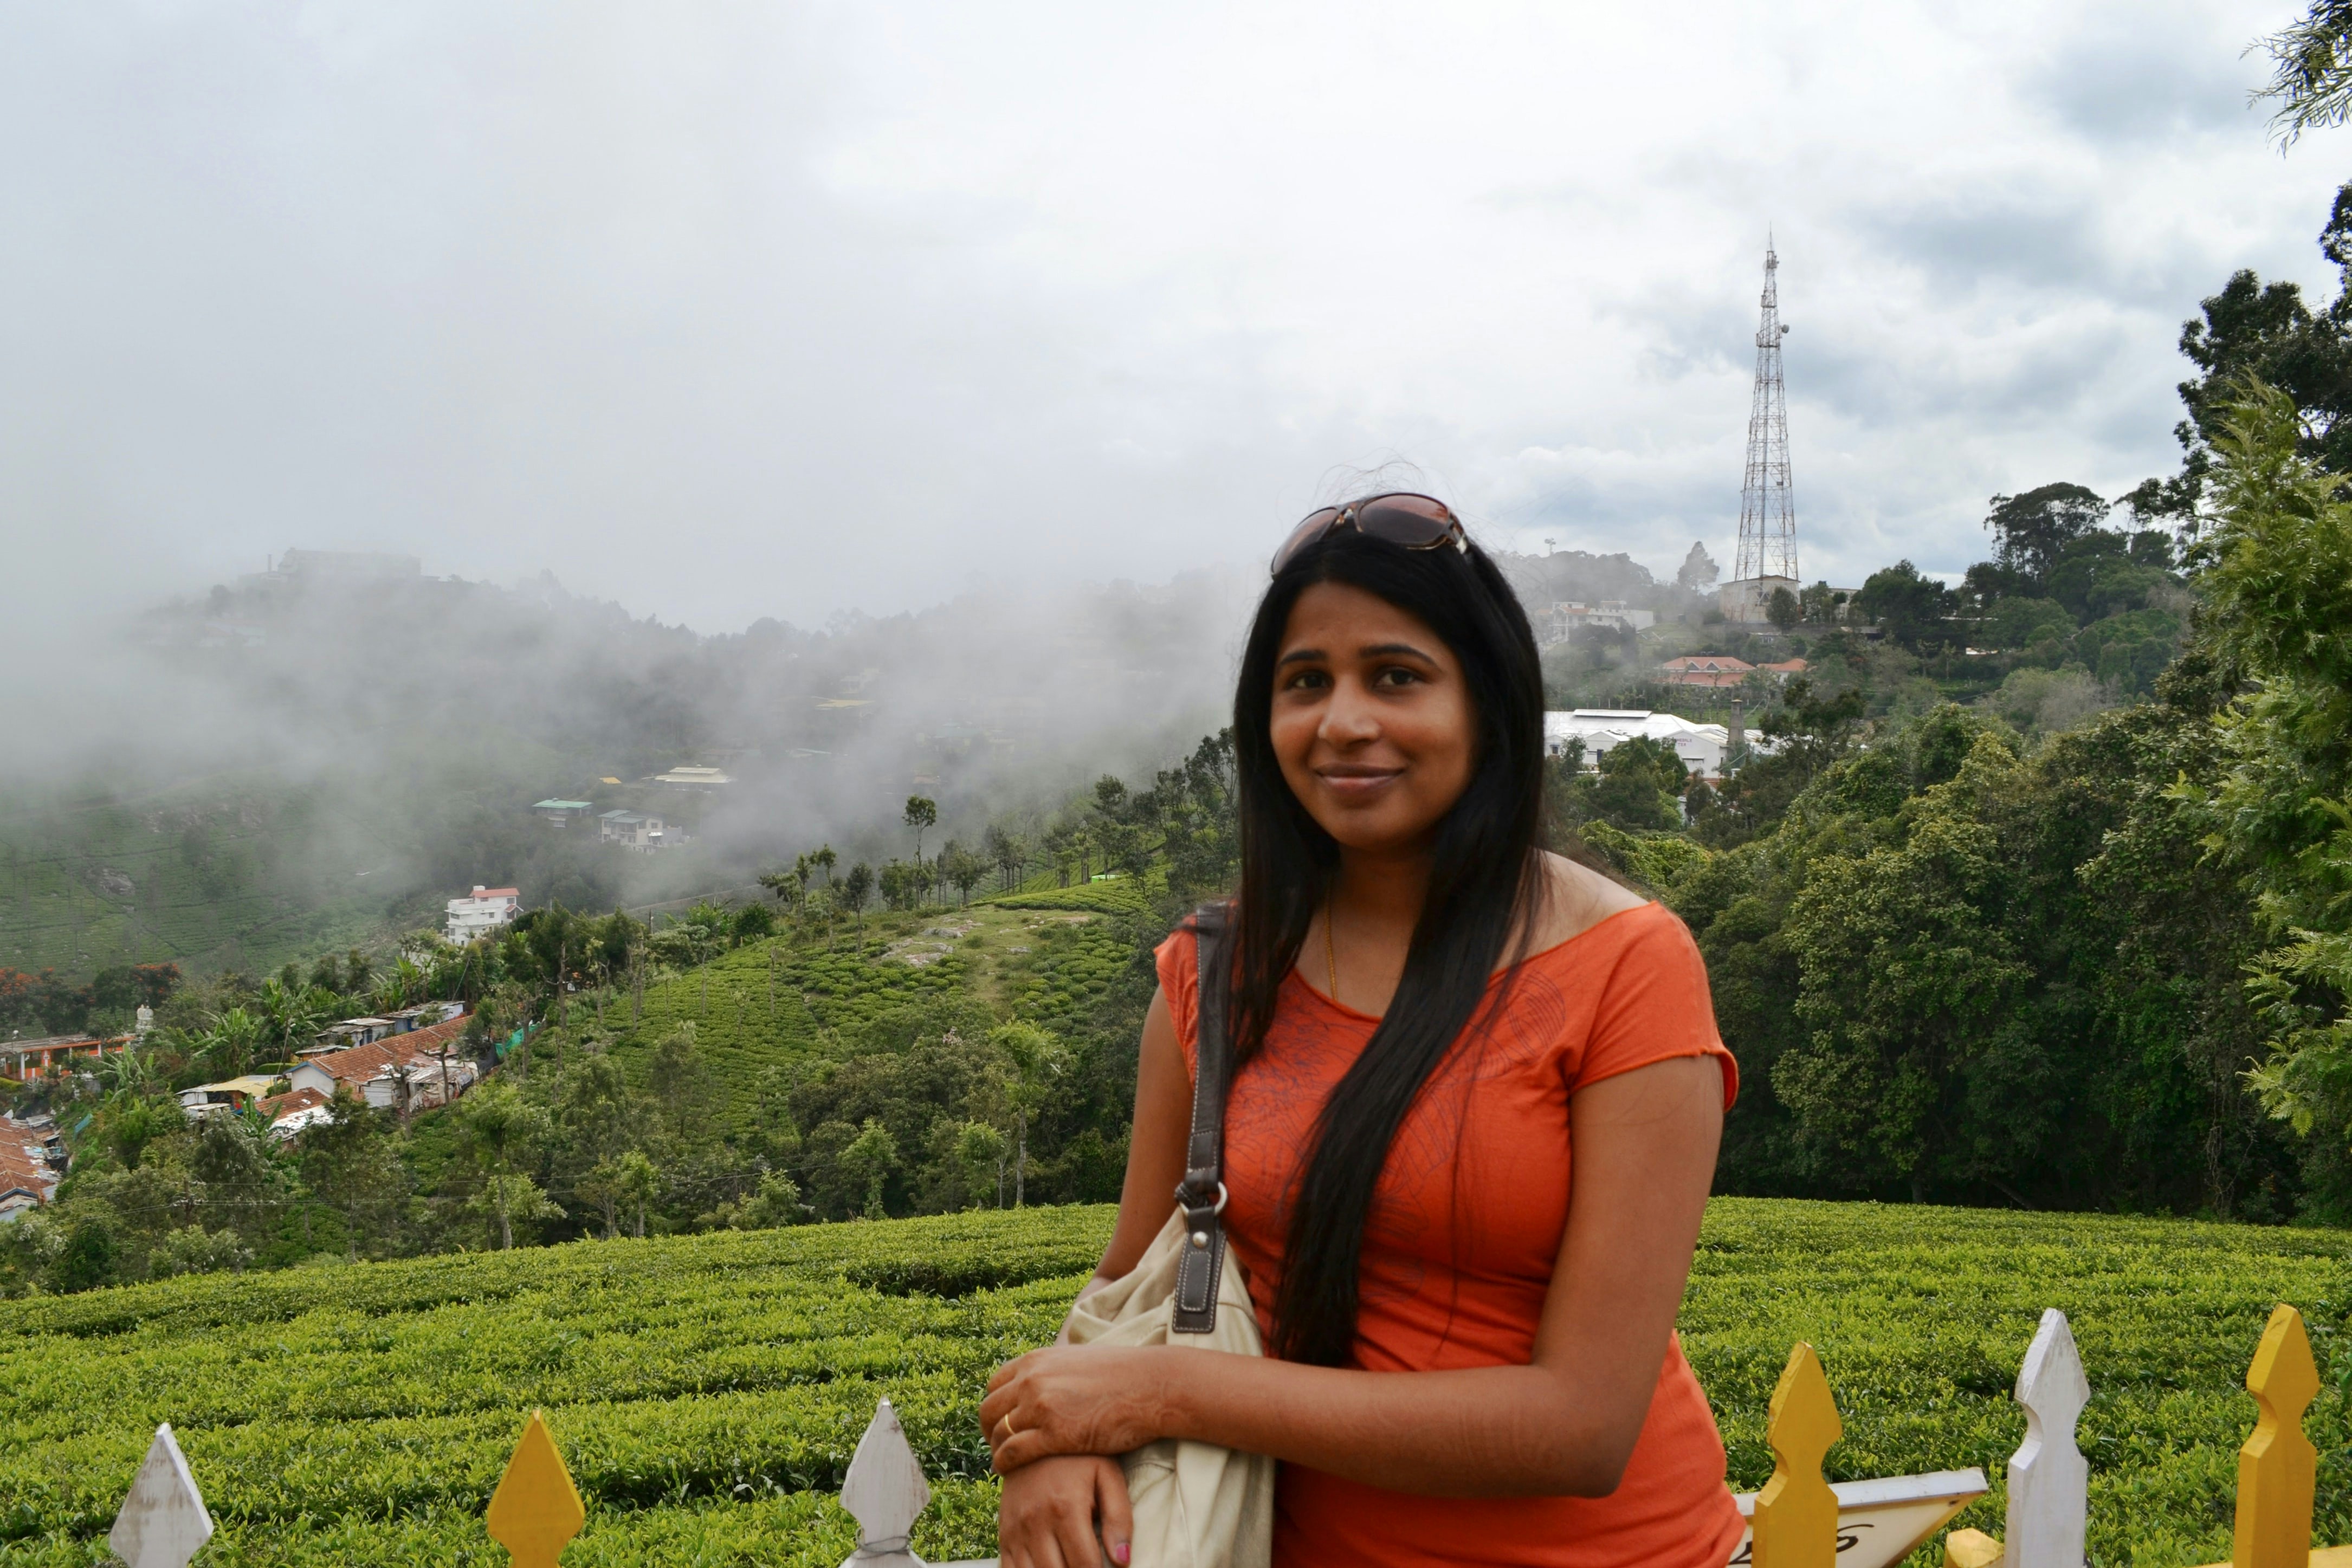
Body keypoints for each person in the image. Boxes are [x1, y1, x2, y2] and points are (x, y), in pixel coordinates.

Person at [983, 494, 1742, 1568]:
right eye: (1305, 682)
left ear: (1486, 701)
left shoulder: (1628, 966)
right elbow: (1130, 1288)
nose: (1341, 721)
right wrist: (1058, 1442)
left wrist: (1162, 1390)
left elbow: (1583, 1424)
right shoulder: (1213, 973)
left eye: (1395, 676)